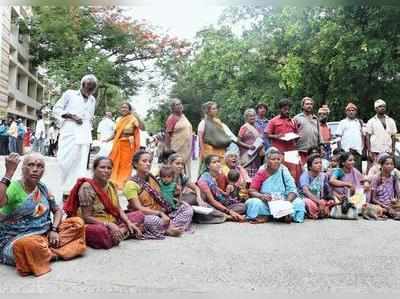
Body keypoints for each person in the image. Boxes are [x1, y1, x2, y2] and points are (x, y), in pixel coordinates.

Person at [0, 153, 86, 277]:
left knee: (77, 223)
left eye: (40, 166)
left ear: (43, 171)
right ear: (23, 168)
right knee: (26, 245)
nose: (35, 169)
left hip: (45, 234)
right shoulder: (14, 187)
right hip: (16, 239)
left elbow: (57, 211)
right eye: (31, 165)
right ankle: (53, 252)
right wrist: (9, 173)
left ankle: (43, 253)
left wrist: (54, 229)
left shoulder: (42, 188)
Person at [64, 157, 165, 248]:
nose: (106, 171)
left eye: (109, 168)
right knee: (100, 233)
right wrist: (108, 224)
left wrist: (128, 222)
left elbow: (118, 208)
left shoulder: (111, 185)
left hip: (112, 219)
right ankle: (123, 232)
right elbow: (86, 217)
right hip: (94, 223)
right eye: (102, 167)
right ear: (94, 170)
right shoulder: (87, 187)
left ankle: (121, 232)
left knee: (139, 215)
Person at [123, 151, 193, 238]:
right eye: (144, 161)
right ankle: (167, 230)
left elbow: (161, 196)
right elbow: (138, 208)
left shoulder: (151, 177)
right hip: (145, 215)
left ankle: (169, 226)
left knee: (187, 208)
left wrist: (175, 197)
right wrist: (159, 213)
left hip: (161, 211)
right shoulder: (131, 184)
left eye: (150, 161)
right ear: (136, 164)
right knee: (154, 220)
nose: (148, 164)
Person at [53, 74, 97, 201]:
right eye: (88, 86)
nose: (90, 90)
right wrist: (71, 116)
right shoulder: (70, 94)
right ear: (82, 85)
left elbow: (90, 116)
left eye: (92, 88)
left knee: (81, 163)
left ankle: (74, 191)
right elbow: (57, 109)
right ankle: (62, 189)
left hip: (84, 133)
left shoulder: (92, 100)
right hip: (70, 131)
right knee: (65, 161)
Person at [245, 147, 305, 224]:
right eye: (273, 159)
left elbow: (292, 189)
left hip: (284, 200)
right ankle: (276, 216)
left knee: (299, 203)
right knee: (253, 203)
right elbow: (252, 190)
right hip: (267, 203)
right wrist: (262, 196)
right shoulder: (262, 172)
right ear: (267, 161)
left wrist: (286, 203)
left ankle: (279, 215)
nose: (276, 161)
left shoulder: (284, 170)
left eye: (278, 159)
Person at [198, 101, 248, 174]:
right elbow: (200, 139)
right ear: (208, 111)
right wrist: (203, 153)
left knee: (222, 172)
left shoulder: (217, 121)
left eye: (216, 108)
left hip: (221, 151)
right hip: (209, 151)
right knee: (210, 171)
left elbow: (224, 135)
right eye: (213, 109)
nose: (216, 110)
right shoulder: (203, 123)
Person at [197, 155, 246, 222]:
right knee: (206, 209)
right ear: (208, 166)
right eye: (214, 162)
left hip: (222, 202)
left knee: (243, 206)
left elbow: (231, 183)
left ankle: (222, 215)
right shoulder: (203, 180)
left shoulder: (221, 175)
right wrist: (229, 212)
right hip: (211, 205)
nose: (217, 164)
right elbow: (212, 201)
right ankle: (228, 216)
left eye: (218, 162)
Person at [266, 98, 301, 181]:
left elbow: (296, 133)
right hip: (279, 151)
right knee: (279, 171)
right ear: (280, 109)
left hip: (291, 150)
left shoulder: (293, 121)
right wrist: (277, 136)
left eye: (288, 109)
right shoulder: (273, 121)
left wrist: (296, 137)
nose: (287, 111)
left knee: (293, 172)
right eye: (285, 109)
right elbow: (267, 135)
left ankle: (292, 190)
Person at [107, 102, 141, 189]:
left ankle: (123, 182)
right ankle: (113, 181)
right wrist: (107, 140)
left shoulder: (133, 119)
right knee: (114, 162)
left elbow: (139, 129)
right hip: (118, 144)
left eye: (126, 107)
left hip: (128, 145)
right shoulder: (119, 119)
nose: (123, 109)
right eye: (122, 107)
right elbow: (116, 133)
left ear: (129, 109)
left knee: (125, 165)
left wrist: (136, 118)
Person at [165, 98, 194, 179]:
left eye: (180, 104)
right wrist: (168, 150)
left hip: (186, 149)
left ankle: (186, 186)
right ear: (172, 108)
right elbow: (167, 134)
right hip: (176, 148)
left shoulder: (183, 117)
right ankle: (176, 186)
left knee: (185, 168)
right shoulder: (172, 118)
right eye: (177, 104)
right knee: (177, 167)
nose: (180, 106)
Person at [300, 154, 334, 219]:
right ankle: (315, 213)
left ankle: (321, 211)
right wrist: (318, 201)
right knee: (307, 202)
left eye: (320, 163)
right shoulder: (305, 175)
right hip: (307, 198)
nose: (319, 165)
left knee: (331, 202)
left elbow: (327, 192)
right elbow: (305, 191)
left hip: (320, 199)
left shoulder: (323, 176)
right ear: (310, 167)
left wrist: (327, 200)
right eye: (316, 163)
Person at [366, 99, 397, 165]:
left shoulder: (391, 120)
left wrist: (393, 151)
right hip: (375, 151)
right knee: (374, 171)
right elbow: (367, 136)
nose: (382, 108)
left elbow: (393, 136)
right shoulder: (371, 121)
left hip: (388, 151)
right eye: (380, 106)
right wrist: (369, 151)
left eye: (384, 106)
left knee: (388, 171)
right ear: (376, 109)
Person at [336, 103, 365, 171]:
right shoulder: (342, 122)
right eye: (349, 110)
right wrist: (340, 151)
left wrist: (363, 148)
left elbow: (363, 136)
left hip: (357, 152)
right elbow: (338, 137)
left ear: (356, 112)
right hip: (346, 152)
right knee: (346, 172)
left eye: (353, 110)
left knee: (357, 172)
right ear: (346, 112)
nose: (351, 112)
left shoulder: (359, 122)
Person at [370, 154, 400, 219]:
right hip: (380, 204)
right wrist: (386, 207)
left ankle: (393, 213)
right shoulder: (376, 178)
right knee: (380, 210)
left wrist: (396, 201)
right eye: (387, 164)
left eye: (392, 164)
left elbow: (398, 195)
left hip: (392, 204)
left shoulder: (394, 178)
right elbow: (373, 199)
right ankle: (391, 213)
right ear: (382, 165)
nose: (390, 166)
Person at [294, 97, 320, 165]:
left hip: (314, 150)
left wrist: (321, 145)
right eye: (307, 104)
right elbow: (293, 133)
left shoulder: (315, 118)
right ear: (303, 106)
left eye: (311, 104)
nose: (309, 106)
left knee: (313, 168)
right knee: (302, 169)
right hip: (301, 149)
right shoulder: (297, 118)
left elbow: (319, 133)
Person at [238, 108, 263, 178]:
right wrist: (248, 146)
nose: (252, 117)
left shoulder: (258, 127)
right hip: (246, 154)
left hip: (256, 154)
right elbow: (238, 141)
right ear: (246, 117)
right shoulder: (244, 127)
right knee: (246, 172)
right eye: (250, 116)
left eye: (254, 116)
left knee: (256, 174)